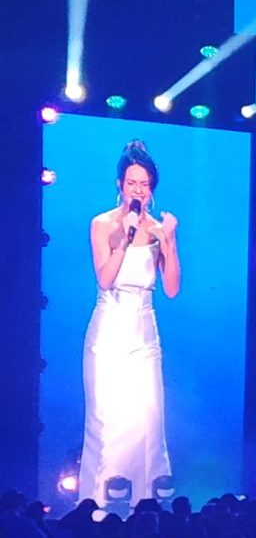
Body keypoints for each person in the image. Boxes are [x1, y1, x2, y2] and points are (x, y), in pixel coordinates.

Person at [79, 140, 181, 507]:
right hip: (109, 331)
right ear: (120, 184)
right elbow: (105, 279)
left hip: (145, 332)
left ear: (152, 188)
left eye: (145, 184)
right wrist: (125, 237)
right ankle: (98, 509)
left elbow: (171, 289)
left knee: (147, 419)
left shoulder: (158, 229)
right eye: (132, 183)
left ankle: (146, 509)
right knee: (108, 420)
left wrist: (169, 242)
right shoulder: (102, 224)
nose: (138, 190)